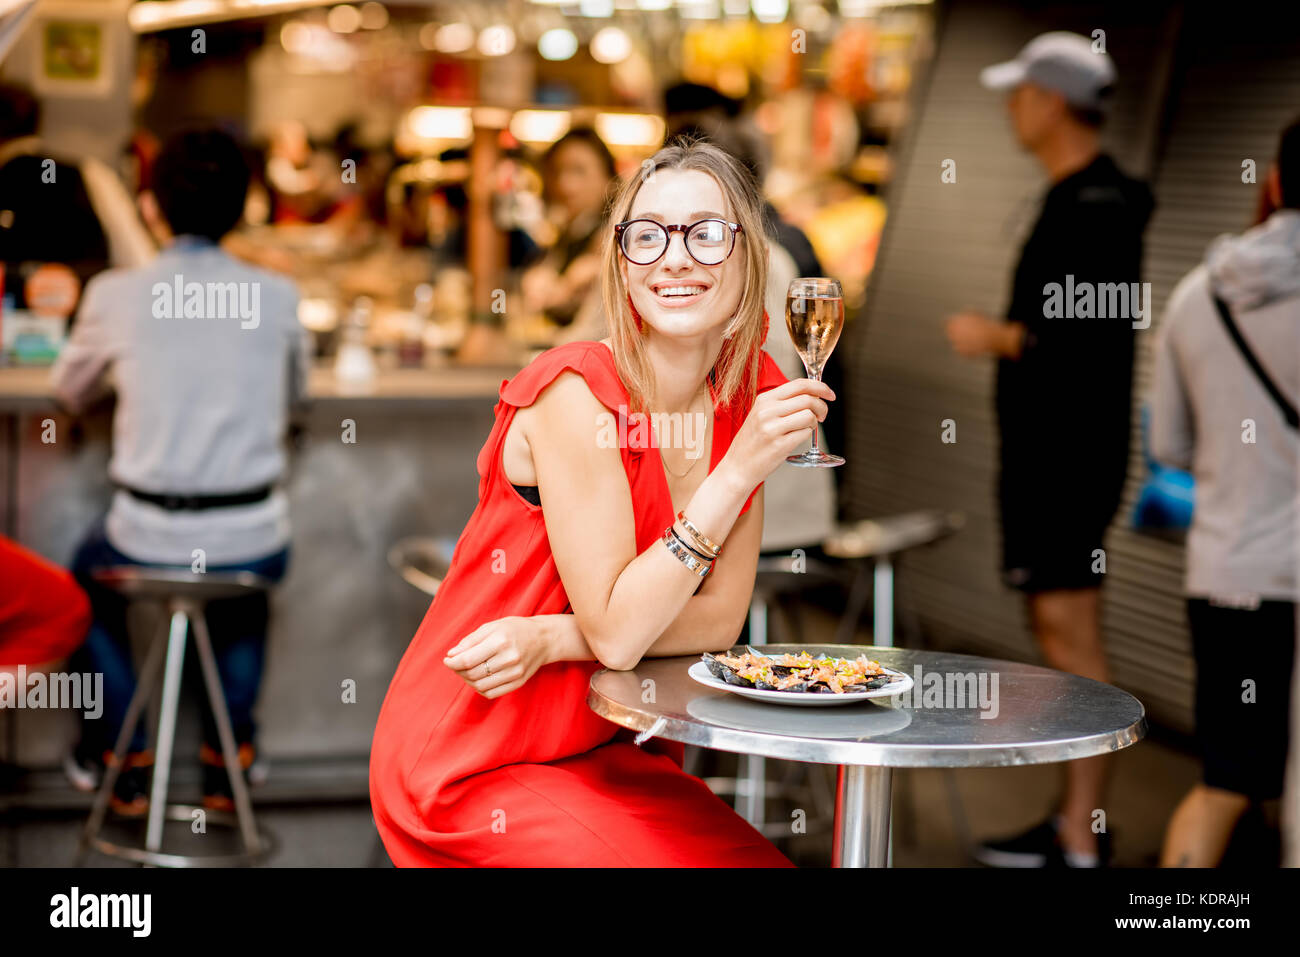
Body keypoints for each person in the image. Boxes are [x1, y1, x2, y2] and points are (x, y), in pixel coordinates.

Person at [369, 141, 835, 866]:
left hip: (595, 741)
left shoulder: (745, 399)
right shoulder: (575, 393)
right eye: (647, 235)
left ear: (750, 259)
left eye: (706, 233)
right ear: (622, 264)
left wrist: (556, 638)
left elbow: (718, 619)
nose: (675, 258)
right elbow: (620, 637)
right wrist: (736, 472)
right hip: (472, 757)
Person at [51, 129, 309, 815]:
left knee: (77, 582)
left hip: (144, 536)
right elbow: (297, 401)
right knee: (245, 586)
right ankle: (232, 757)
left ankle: (120, 751)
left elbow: (67, 392)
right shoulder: (280, 296)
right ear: (246, 204)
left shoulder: (114, 294)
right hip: (253, 536)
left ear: (152, 207)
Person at [944, 32, 1154, 867]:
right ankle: (1072, 817)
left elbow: (1090, 340)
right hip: (1048, 459)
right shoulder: (1076, 197)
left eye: (1020, 92)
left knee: (1073, 637)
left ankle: (1081, 832)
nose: (1010, 108)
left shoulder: (1100, 205)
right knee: (1055, 629)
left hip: (1069, 464)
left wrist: (998, 336)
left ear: (1054, 100)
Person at [1151, 118, 1300, 867]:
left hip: (1234, 577)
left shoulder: (1199, 295)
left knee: (1226, 781)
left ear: (1273, 180)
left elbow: (1168, 446)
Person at [521, 128, 618, 331]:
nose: (566, 184)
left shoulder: (616, 238)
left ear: (608, 178)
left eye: (579, 171)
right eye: (558, 172)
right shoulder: (567, 231)